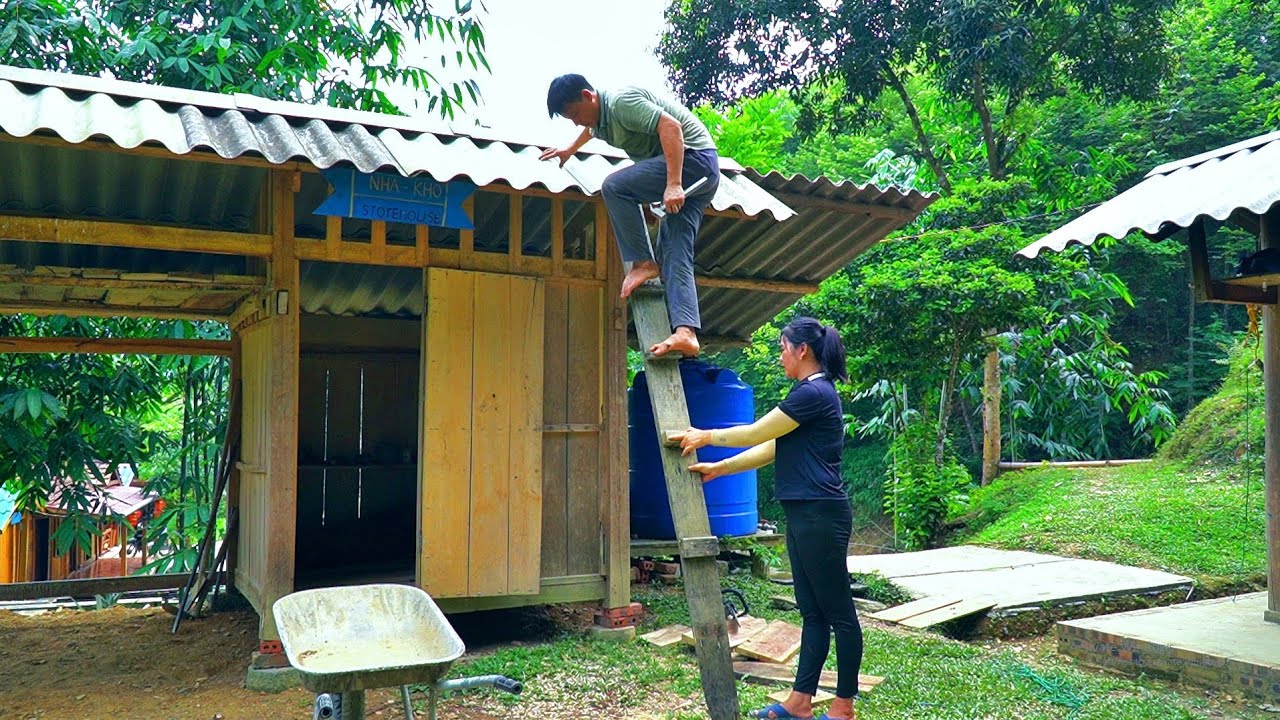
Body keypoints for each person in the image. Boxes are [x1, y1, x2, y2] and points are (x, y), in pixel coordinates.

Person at [670, 317, 863, 720]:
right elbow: (774, 446)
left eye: (781, 347)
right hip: (804, 512)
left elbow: (757, 431)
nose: (780, 356)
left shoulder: (815, 393)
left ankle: (843, 708)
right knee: (812, 612)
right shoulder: (808, 394)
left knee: (839, 612)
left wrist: (705, 436)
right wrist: (721, 468)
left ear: (802, 350)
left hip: (821, 513)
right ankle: (800, 702)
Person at [540, 73, 720, 358]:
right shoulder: (600, 122)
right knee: (674, 250)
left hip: (694, 159)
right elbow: (589, 131)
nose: (576, 121)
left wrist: (673, 184)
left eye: (575, 113)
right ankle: (687, 333)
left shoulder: (621, 103)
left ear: (588, 96)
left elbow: (671, 128)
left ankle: (642, 263)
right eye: (569, 119)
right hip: (701, 171)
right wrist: (570, 150)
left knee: (614, 186)